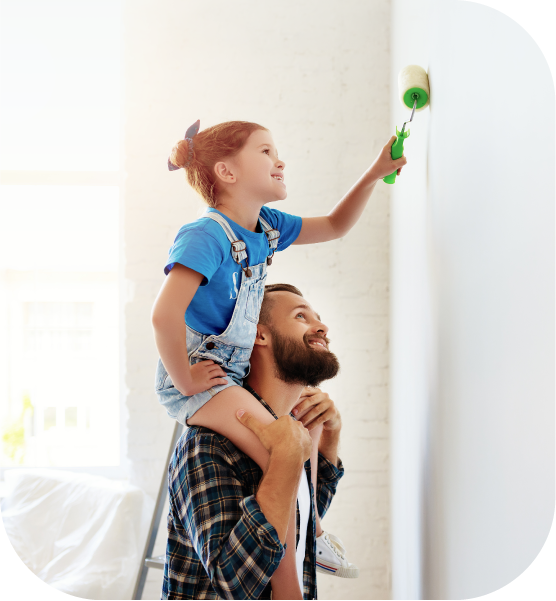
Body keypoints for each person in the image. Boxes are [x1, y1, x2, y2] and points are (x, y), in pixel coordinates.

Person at [152, 119, 406, 599]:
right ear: (226, 171)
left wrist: (375, 172)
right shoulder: (205, 235)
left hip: (226, 374)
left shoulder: (266, 228)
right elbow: (163, 316)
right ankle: (310, 546)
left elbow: (334, 225)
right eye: (266, 151)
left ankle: (309, 537)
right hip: (201, 377)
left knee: (294, 449)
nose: (280, 160)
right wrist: (185, 380)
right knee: (282, 455)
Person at [162, 284, 352, 600]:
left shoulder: (289, 433)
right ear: (258, 335)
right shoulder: (208, 445)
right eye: (301, 316)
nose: (322, 326)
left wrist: (329, 438)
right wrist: (284, 461)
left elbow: (301, 517)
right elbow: (234, 585)